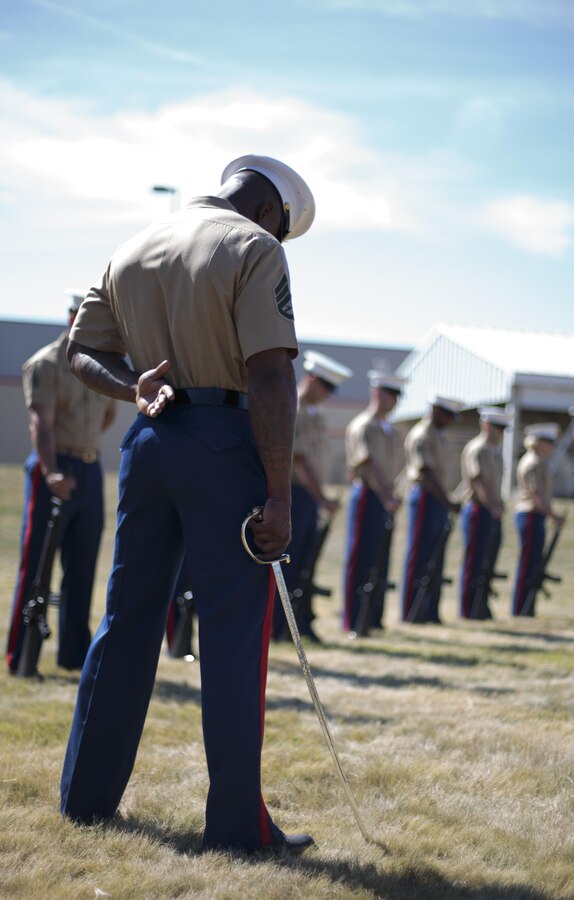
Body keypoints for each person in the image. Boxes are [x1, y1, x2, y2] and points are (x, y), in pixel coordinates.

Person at [59, 154, 317, 856]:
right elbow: (269, 374)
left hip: (150, 441)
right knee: (233, 642)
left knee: (127, 623)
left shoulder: (132, 246)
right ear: (270, 213)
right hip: (225, 446)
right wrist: (276, 494)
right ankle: (237, 832)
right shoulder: (253, 248)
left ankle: (85, 800)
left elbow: (80, 351)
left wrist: (132, 387)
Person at [6, 290, 116, 674]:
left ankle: (73, 655)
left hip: (89, 467)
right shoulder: (46, 364)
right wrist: (52, 471)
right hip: (55, 466)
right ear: (72, 319)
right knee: (36, 564)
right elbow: (41, 423)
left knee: (82, 565)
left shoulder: (101, 366)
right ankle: (21, 654)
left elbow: (106, 418)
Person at [273, 350, 352, 643]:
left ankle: (299, 621)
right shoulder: (293, 408)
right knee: (290, 564)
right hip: (295, 493)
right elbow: (301, 460)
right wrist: (323, 499)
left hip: (308, 495)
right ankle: (279, 626)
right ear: (312, 379)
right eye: (326, 388)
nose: (327, 395)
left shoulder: (315, 415)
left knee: (305, 564)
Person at [342, 370, 406, 635]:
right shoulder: (364, 425)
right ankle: (355, 619)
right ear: (376, 393)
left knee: (380, 558)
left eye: (397, 396)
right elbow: (368, 463)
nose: (393, 401)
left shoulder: (388, 430)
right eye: (390, 394)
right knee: (361, 557)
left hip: (384, 497)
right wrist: (386, 495)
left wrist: (393, 494)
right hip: (369, 494)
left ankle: (373, 616)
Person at [401, 394, 464, 624]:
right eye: (447, 415)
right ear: (436, 411)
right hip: (426, 496)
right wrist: (447, 501)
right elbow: (425, 472)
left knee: (435, 556)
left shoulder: (438, 435)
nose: (449, 421)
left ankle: (430, 610)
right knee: (420, 554)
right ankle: (412, 610)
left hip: (437, 499)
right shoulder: (422, 435)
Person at [459, 407, 513, 620]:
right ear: (485, 425)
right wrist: (492, 506)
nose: (499, 433)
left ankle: (481, 604)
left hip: (492, 510)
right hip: (479, 509)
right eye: (496, 427)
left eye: (502, 429)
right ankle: (469, 608)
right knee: (474, 560)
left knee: (487, 560)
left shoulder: (495, 451)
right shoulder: (478, 448)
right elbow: (478, 480)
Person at [512, 423, 566, 617]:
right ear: (539, 443)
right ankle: (521, 608)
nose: (552, 446)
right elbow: (536, 494)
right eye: (549, 442)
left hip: (536, 515)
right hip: (530, 514)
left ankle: (526, 607)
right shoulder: (534, 462)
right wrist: (553, 515)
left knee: (533, 562)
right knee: (528, 563)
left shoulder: (539, 462)